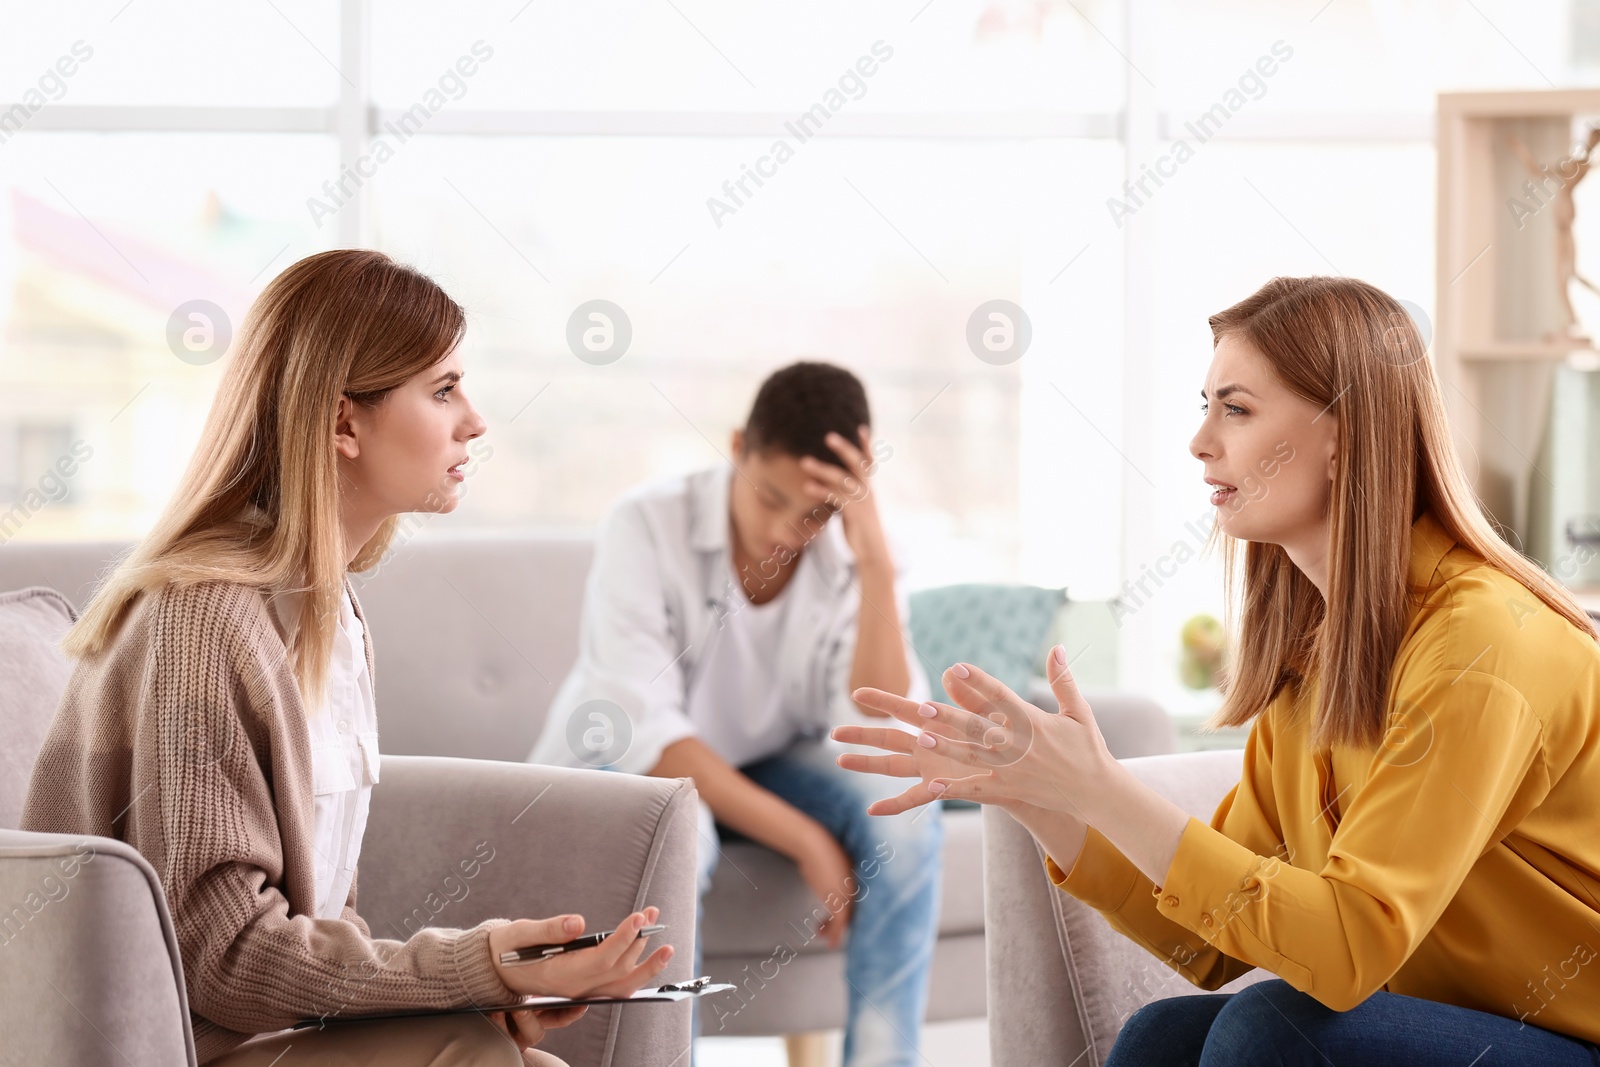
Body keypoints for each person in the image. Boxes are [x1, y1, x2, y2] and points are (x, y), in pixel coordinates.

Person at [831, 276, 1600, 1065]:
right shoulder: (1321, 654)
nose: (1201, 442)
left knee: (1272, 1029)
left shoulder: (1480, 646)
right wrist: (1045, 798)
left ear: (1341, 433)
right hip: (1469, 1026)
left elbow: (1347, 947)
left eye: (1234, 409)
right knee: (1161, 1037)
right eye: (1206, 407)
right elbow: (1210, 941)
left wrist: (1104, 785)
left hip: (1576, 1034)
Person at [22, 249, 674, 1066]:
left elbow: (313, 927)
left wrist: (479, 994)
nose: (474, 420)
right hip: (166, 1048)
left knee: (512, 1055)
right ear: (342, 422)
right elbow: (220, 958)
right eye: (442, 391)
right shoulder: (204, 620)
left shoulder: (332, 614)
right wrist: (480, 964)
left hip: (258, 1038)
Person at [527, 361, 942, 1066]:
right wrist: (807, 839)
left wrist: (875, 563)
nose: (787, 530)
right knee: (682, 834)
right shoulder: (645, 524)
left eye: (814, 511)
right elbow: (650, 736)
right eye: (771, 496)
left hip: (764, 758)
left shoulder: (848, 549)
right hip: (621, 760)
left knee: (902, 809)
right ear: (737, 445)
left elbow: (876, 716)